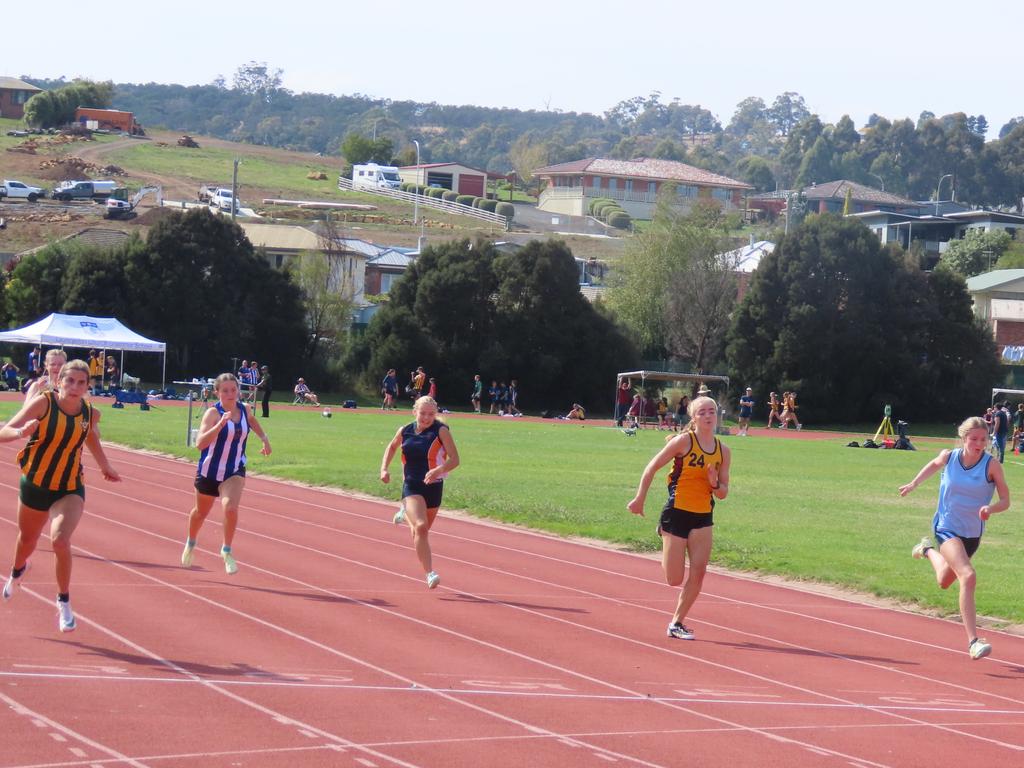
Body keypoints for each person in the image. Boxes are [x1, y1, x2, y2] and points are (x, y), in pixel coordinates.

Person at [2, 359, 121, 632]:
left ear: (88, 386)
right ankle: (18, 571)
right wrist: (21, 432)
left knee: (60, 540)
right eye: (70, 381)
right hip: (35, 484)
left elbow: (89, 435)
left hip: (69, 487)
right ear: (59, 382)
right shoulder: (43, 404)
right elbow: (3, 431)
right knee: (27, 540)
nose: (75, 387)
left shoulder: (89, 412)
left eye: (81, 383)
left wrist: (105, 465)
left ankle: (63, 601)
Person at [899, 416, 1010, 660]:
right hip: (946, 526)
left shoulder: (991, 465)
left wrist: (990, 509)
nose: (979, 443)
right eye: (974, 439)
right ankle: (973, 641)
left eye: (983, 439)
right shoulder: (950, 457)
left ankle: (926, 549)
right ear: (963, 438)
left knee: (945, 580)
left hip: (972, 533)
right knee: (968, 576)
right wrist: (913, 483)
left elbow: (1005, 500)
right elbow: (933, 464)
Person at [627, 395, 731, 640]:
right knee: (674, 579)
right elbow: (651, 467)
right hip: (677, 512)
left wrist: (715, 483)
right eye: (702, 412)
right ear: (694, 418)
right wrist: (639, 499)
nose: (708, 416)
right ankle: (664, 533)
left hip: (703, 515)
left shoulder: (723, 451)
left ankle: (676, 622)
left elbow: (724, 492)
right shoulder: (684, 442)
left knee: (699, 571)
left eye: (712, 411)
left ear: (717, 416)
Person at [181, 373, 271, 575]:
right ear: (217, 392)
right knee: (200, 513)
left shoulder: (244, 409)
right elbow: (200, 444)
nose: (231, 394)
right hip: (209, 471)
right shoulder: (212, 414)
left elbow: (252, 421)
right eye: (225, 390)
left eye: (233, 390)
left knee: (230, 508)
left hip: (234, 470)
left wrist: (264, 439)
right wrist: (220, 424)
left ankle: (226, 550)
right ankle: (191, 541)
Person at [380, 396, 460, 589]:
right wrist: (384, 469)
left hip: (434, 485)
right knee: (421, 527)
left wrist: (438, 471)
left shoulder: (441, 431)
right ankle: (430, 573)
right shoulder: (405, 430)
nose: (426, 418)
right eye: (422, 413)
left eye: (431, 414)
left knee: (419, 531)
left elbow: (455, 460)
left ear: (436, 414)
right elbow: (391, 447)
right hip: (412, 485)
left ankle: (404, 513)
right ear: (414, 411)